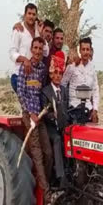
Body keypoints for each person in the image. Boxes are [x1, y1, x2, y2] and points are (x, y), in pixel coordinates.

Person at [17, 37, 53, 204]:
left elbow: (42, 92)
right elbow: (21, 93)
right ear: (31, 49)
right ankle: (46, 196)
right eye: (35, 48)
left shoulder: (42, 69)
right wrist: (30, 113)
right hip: (29, 115)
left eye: (40, 48)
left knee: (48, 152)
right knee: (37, 153)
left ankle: (43, 183)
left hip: (40, 115)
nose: (38, 51)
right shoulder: (26, 67)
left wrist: (41, 112)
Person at [41, 51, 69, 185]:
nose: (58, 76)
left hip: (63, 126)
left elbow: (67, 109)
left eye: (60, 74)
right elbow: (45, 113)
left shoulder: (64, 91)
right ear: (51, 75)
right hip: (51, 128)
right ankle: (60, 176)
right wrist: (53, 116)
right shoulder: (45, 92)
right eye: (55, 73)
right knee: (57, 139)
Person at [9, 3, 49, 92]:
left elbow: (46, 52)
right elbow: (12, 53)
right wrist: (25, 60)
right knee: (27, 102)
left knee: (35, 102)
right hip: (18, 75)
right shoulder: (18, 30)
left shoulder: (38, 30)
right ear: (24, 15)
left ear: (36, 16)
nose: (31, 16)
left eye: (34, 14)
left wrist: (42, 34)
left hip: (33, 77)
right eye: (29, 13)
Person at [61, 37, 99, 123]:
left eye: (87, 49)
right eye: (83, 49)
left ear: (90, 51)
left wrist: (95, 109)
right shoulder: (72, 67)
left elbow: (95, 89)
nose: (85, 52)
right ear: (80, 51)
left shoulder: (92, 68)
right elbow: (63, 85)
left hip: (88, 109)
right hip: (74, 109)